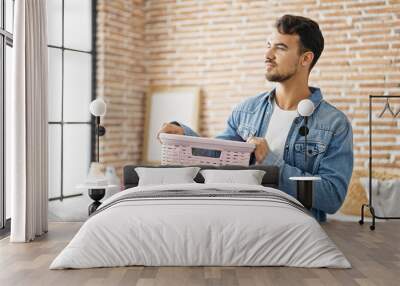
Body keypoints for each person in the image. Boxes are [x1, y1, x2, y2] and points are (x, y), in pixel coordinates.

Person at [156, 14, 353, 222]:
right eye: (268, 45)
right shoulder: (245, 111)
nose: (268, 54)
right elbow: (217, 155)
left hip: (296, 233)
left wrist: (269, 162)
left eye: (280, 48)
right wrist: (184, 134)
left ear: (306, 59)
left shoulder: (334, 124)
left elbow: (332, 197)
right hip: (241, 223)